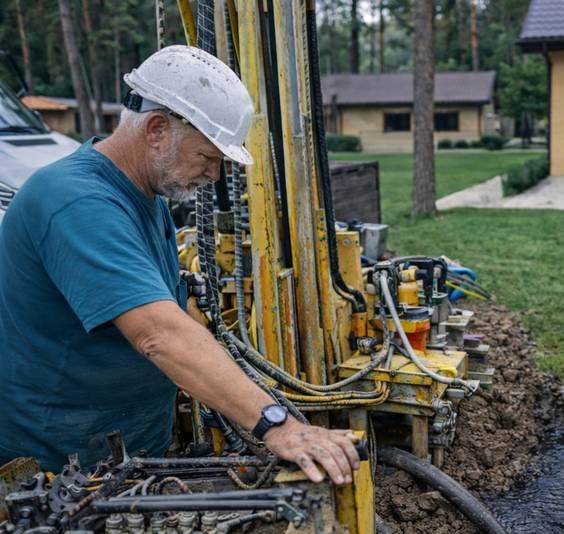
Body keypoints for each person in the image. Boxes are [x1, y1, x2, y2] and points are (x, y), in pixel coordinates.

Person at [0, 45, 358, 483]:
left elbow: (174, 309)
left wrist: (237, 391)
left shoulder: (144, 197)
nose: (214, 176)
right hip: (56, 469)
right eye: (207, 157)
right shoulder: (76, 202)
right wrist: (275, 424)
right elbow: (157, 332)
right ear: (155, 129)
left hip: (125, 452)